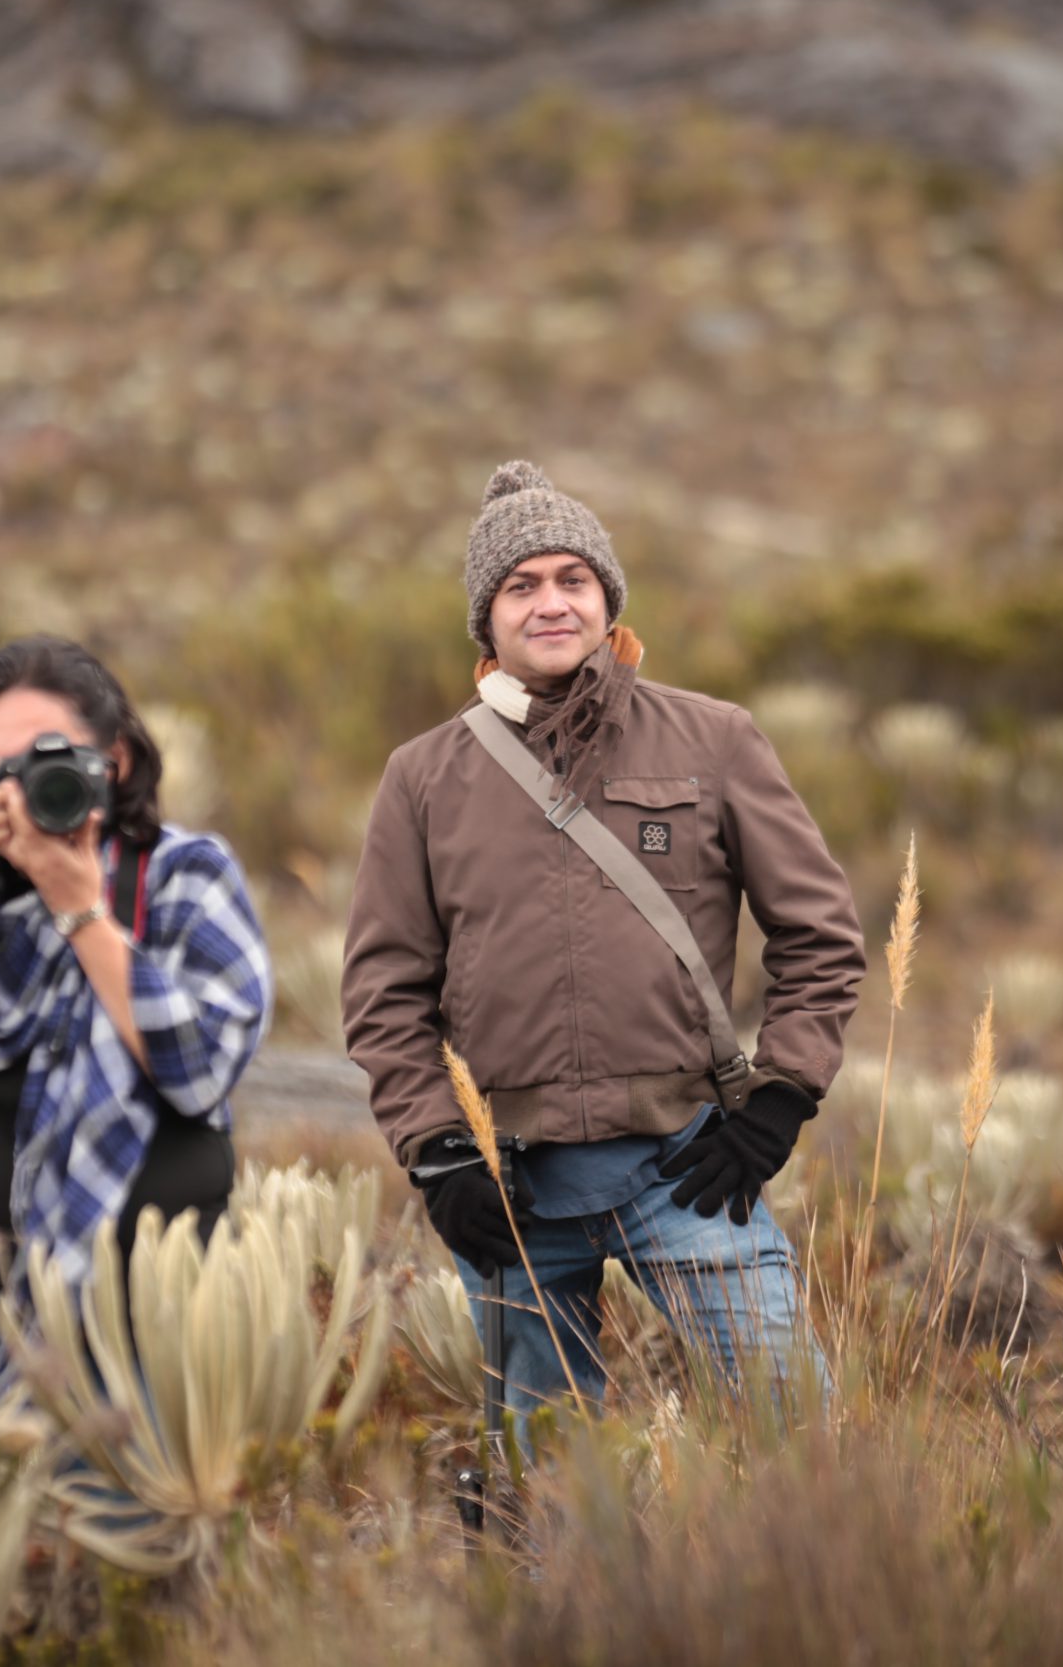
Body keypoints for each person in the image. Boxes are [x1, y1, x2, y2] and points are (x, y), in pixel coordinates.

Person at [342, 461, 867, 1417]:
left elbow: (820, 932)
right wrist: (438, 1150)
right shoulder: (421, 777)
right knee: (548, 1475)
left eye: (572, 578)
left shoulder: (715, 739)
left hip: (689, 1171)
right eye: (521, 585)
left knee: (797, 1428)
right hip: (512, 1196)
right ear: (487, 618)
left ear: (607, 597)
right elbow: (384, 993)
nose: (551, 603)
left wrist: (781, 1097)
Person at [0, 635, 271, 1324]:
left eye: (49, 759)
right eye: (0, 769)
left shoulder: (183, 876)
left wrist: (81, 911)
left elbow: (202, 1071)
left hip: (151, 1297)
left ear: (114, 761)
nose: (26, 789)